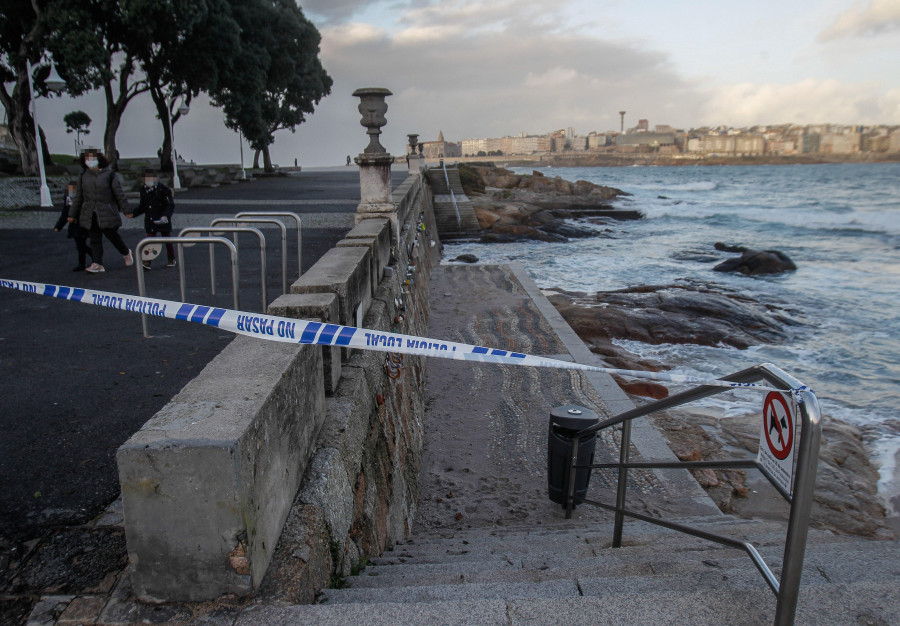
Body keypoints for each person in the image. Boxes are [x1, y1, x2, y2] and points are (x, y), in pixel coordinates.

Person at [68, 148, 132, 273]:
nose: (89, 161)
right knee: (94, 239)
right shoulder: (83, 176)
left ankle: (125, 252)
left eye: (92, 158)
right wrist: (72, 214)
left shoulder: (109, 175)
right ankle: (97, 263)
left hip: (106, 211)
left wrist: (127, 210)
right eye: (87, 158)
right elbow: (79, 196)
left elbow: (119, 194)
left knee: (112, 236)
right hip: (90, 212)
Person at [127, 170, 175, 270]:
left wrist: (166, 216)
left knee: (167, 239)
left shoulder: (163, 189)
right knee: (149, 240)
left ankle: (171, 258)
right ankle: (147, 261)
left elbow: (169, 205)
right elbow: (143, 206)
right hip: (150, 219)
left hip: (162, 219)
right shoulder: (143, 190)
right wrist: (134, 213)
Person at [53, 180, 93, 271]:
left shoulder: (82, 199)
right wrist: (59, 226)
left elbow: (85, 212)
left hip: (81, 224)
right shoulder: (68, 200)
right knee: (80, 245)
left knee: (81, 245)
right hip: (75, 225)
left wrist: (75, 219)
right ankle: (90, 259)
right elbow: (65, 213)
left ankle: (84, 262)